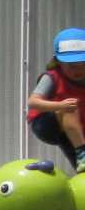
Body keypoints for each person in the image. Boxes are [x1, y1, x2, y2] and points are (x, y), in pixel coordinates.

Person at [26, 28, 85, 171]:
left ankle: (81, 161)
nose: (78, 70)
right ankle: (82, 153)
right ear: (58, 61)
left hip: (74, 131)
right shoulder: (52, 77)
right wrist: (59, 106)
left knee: (81, 166)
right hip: (47, 124)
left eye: (83, 65)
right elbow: (32, 102)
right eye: (72, 66)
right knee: (69, 106)